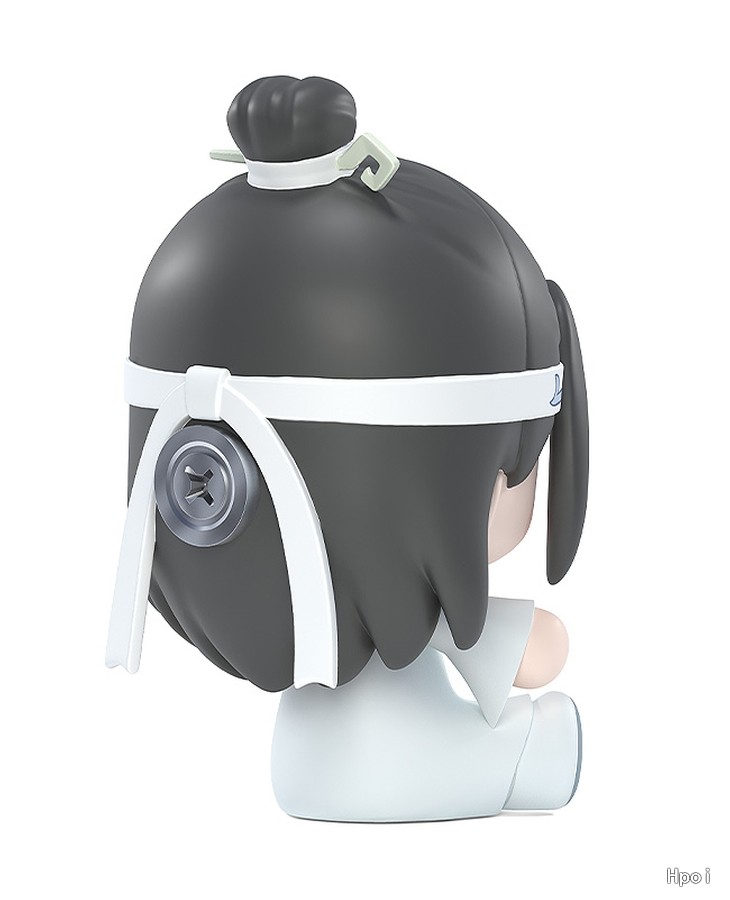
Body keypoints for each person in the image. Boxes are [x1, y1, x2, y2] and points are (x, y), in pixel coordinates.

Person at [108, 75, 589, 821]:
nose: (520, 479)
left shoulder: (305, 618)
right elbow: (543, 651)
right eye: (514, 465)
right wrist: (517, 638)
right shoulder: (414, 608)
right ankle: (530, 759)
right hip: (420, 769)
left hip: (297, 772)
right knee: (543, 733)